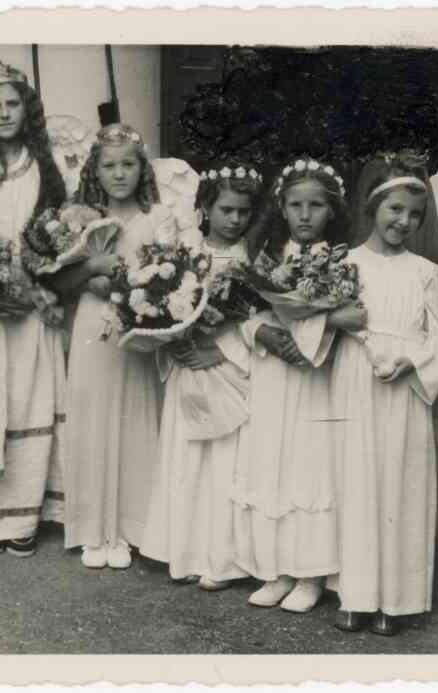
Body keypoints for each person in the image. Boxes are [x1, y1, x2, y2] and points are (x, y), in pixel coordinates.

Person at [327, 153, 438, 636]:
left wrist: (412, 362)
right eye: (395, 209)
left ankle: (397, 599)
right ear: (374, 206)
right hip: (356, 379)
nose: (404, 221)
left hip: (403, 388)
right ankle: (357, 594)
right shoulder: (345, 264)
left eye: (414, 215)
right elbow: (327, 324)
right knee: (357, 481)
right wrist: (338, 322)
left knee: (400, 483)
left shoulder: (426, 273)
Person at [233, 158, 365, 613]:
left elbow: (349, 319)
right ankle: (278, 569)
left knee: (309, 466)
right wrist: (265, 333)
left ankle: (310, 573)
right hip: (274, 373)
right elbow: (246, 316)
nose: (305, 215)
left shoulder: (343, 261)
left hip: (315, 377)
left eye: (316, 206)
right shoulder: (267, 257)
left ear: (333, 211)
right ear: (281, 208)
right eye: (295, 205)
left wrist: (313, 329)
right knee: (274, 463)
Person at [0, 61, 68, 557]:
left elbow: (61, 234)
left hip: (33, 302)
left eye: (12, 103)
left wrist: (33, 281)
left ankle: (23, 512)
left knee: (29, 397)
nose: (3, 113)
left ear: (28, 109)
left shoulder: (45, 167)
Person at [137, 163, 264, 590]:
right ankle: (184, 550)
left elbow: (259, 319)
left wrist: (219, 349)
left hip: (229, 367)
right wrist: (173, 338)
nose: (235, 219)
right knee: (187, 458)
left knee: (226, 464)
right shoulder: (184, 257)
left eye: (244, 212)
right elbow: (164, 305)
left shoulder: (254, 259)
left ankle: (224, 558)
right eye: (227, 209)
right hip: (187, 366)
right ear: (205, 208)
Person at [49, 124, 164, 570]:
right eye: (109, 165)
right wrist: (93, 268)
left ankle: (131, 528)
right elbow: (60, 279)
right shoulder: (80, 219)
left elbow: (170, 274)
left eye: (128, 164)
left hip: (138, 330)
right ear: (95, 170)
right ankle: (94, 529)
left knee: (135, 416)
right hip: (93, 326)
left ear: (142, 169)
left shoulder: (157, 219)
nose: (120, 174)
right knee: (93, 417)